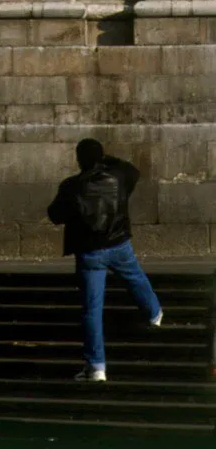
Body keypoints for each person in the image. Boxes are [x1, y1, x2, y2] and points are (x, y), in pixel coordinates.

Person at [47, 138, 163, 382]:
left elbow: (54, 215)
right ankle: (154, 313)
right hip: (118, 241)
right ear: (101, 157)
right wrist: (107, 159)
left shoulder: (72, 186)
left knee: (92, 309)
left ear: (79, 159)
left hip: (90, 251)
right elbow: (133, 170)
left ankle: (97, 366)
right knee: (135, 277)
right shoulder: (118, 177)